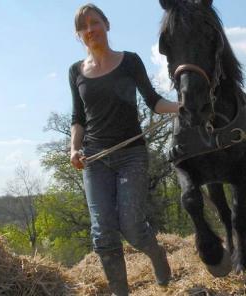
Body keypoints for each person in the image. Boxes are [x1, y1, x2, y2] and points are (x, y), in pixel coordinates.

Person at [68, 4, 179, 295]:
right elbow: (78, 118)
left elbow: (154, 101)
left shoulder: (130, 61)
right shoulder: (75, 72)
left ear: (107, 24)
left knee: (132, 228)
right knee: (102, 233)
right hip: (95, 158)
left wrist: (182, 107)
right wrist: (74, 149)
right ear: (79, 35)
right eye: (84, 27)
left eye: (95, 22)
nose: (90, 29)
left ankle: (157, 255)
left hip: (131, 154)